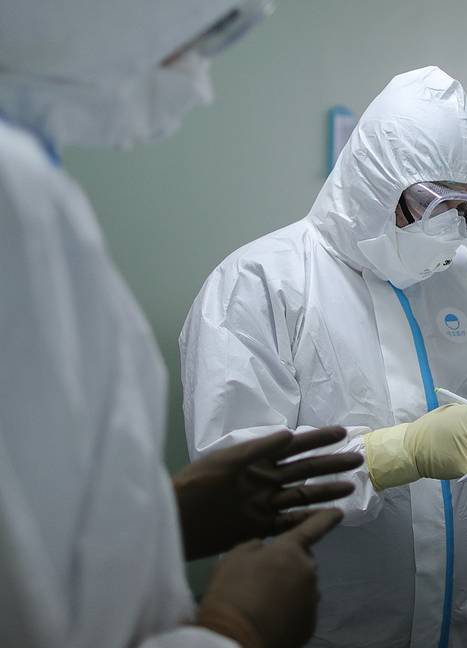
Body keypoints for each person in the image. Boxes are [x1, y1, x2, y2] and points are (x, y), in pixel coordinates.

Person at [179, 65, 467, 647]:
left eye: (463, 206)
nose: (445, 228)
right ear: (371, 183)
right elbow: (239, 477)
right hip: (321, 628)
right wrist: (390, 455)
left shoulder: (464, 278)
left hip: (450, 622)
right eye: (429, 203)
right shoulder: (256, 284)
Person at [0, 2, 363, 647]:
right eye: (197, 39)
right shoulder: (17, 198)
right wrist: (232, 629)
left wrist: (159, 520)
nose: (199, 85)